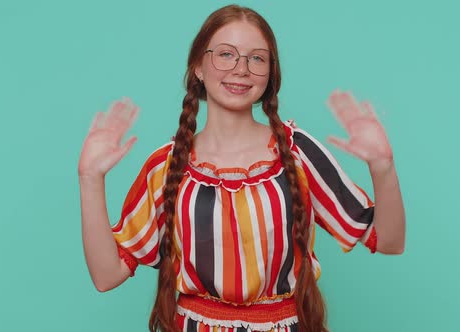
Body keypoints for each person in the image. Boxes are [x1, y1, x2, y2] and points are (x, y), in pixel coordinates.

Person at [78, 4, 405, 332]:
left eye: (257, 58)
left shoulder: (297, 153)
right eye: (225, 54)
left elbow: (389, 241)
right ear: (198, 67)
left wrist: (383, 166)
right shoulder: (166, 167)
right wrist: (90, 178)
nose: (241, 69)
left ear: (270, 74)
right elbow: (107, 276)